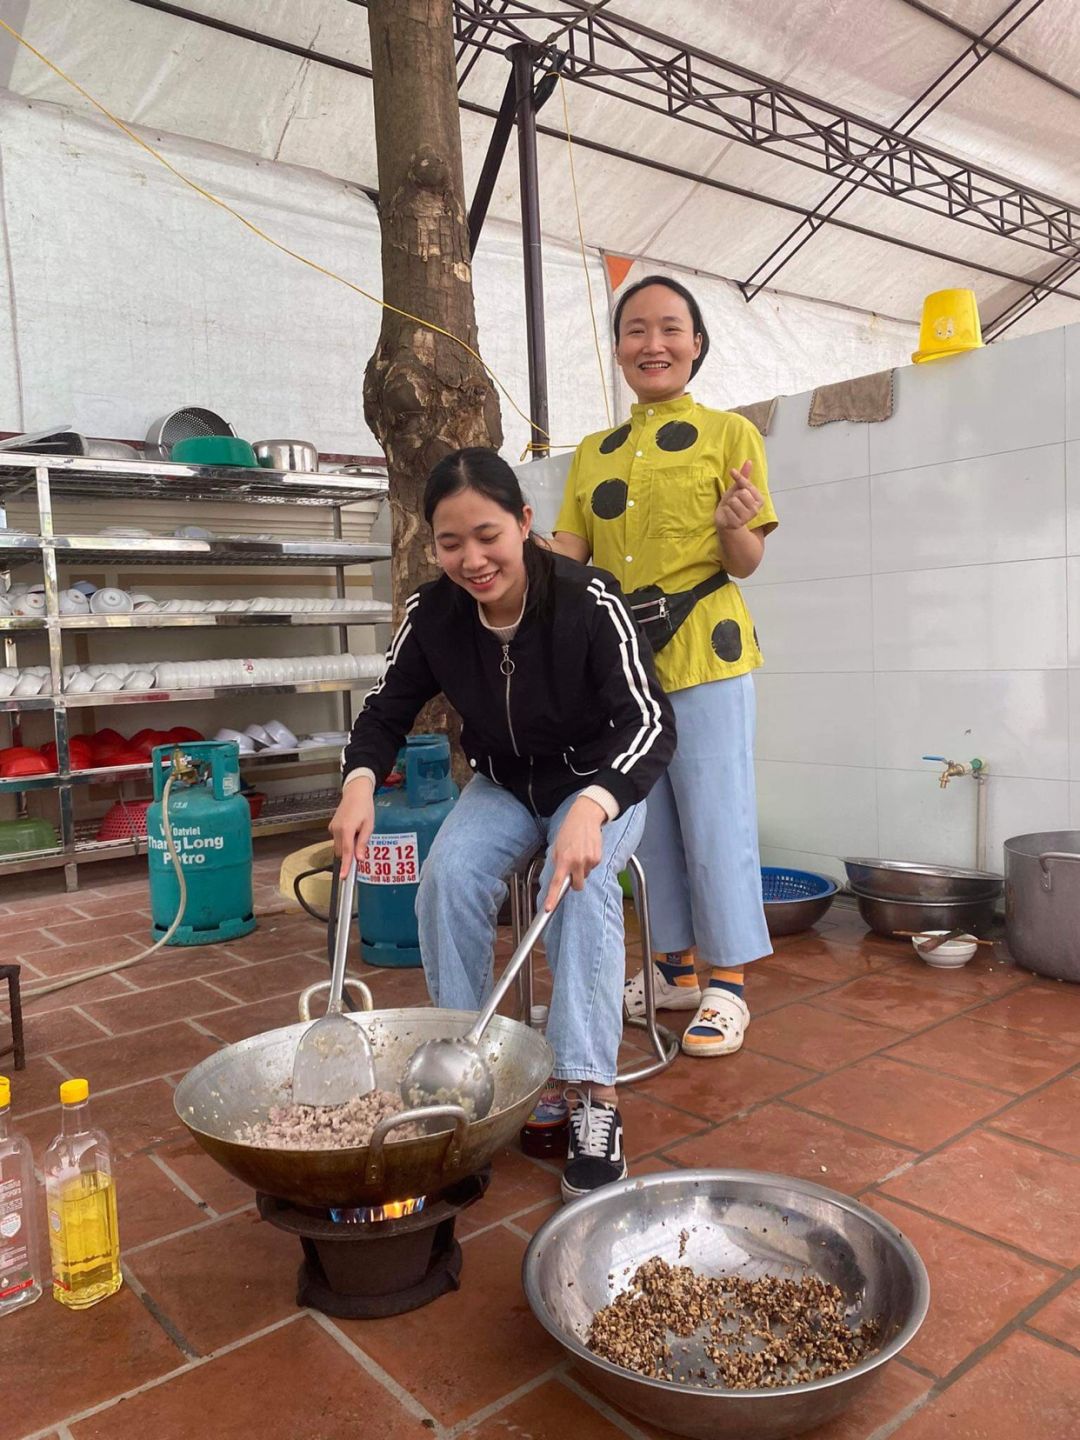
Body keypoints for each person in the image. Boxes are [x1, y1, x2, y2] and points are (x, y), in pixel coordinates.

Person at [330, 447, 675, 1201]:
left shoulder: (588, 600)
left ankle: (592, 1094)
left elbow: (649, 720)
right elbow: (385, 710)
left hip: (598, 782)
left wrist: (594, 805)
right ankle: (468, 1079)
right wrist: (358, 784)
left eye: (487, 535)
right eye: (451, 543)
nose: (473, 560)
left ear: (523, 522)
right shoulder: (433, 615)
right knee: (446, 877)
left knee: (578, 883)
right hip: (505, 784)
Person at [551, 275, 778, 1059]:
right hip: (624, 663)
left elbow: (745, 561)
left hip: (708, 648)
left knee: (717, 814)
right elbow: (571, 557)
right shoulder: (593, 453)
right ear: (617, 350)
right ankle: (674, 968)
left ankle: (728, 983)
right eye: (636, 330)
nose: (654, 344)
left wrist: (733, 525)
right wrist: (513, 548)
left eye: (671, 328)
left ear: (697, 344)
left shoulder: (730, 434)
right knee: (644, 823)